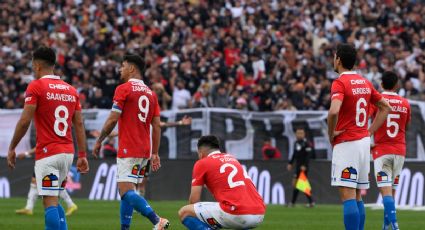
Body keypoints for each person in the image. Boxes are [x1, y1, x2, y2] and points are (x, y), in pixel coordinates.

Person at [7, 46, 89, 230]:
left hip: (48, 153)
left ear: (36, 66)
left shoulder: (36, 86)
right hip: (67, 153)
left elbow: (24, 121)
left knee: (49, 202)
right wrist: (82, 154)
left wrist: (12, 147)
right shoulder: (71, 90)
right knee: (56, 199)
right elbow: (79, 125)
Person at [92, 54, 169, 230]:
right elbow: (156, 126)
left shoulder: (123, 89)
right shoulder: (151, 94)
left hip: (129, 148)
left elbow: (112, 119)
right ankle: (124, 228)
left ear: (132, 69)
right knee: (129, 191)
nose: (120, 69)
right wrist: (155, 153)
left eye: (123, 66)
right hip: (144, 150)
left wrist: (100, 140)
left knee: (125, 191)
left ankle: (157, 220)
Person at [328, 43, 391, 230]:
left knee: (347, 195)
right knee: (357, 194)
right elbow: (385, 107)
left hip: (347, 143)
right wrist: (369, 131)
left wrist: (331, 133)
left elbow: (333, 112)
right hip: (363, 143)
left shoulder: (340, 82)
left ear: (338, 59)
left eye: (334, 56)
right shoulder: (364, 82)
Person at [178, 135, 266, 229]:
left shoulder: (202, 163)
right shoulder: (232, 158)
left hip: (237, 213)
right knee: (235, 215)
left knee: (184, 212)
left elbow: (194, 200)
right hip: (259, 213)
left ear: (200, 152)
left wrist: (206, 222)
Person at [370, 71, 410, 230]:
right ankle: (385, 226)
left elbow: (369, 119)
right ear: (397, 85)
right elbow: (406, 127)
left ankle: (395, 225)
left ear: (381, 84)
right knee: (391, 193)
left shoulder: (377, 101)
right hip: (400, 151)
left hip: (382, 150)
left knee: (385, 192)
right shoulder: (405, 103)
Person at [14, 148, 78, 216]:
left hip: (48, 158)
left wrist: (26, 153)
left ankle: (71, 204)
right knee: (35, 182)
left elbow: (41, 145)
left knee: (51, 183)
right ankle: (28, 208)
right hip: (47, 158)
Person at [287, 128, 315, 207]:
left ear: (304, 134)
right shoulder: (296, 143)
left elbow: (308, 156)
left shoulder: (307, 143)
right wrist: (290, 163)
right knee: (301, 184)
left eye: (301, 133)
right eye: (298, 133)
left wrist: (304, 165)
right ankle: (310, 202)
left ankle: (293, 203)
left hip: (303, 167)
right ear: (295, 134)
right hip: (298, 166)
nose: (299, 135)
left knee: (298, 184)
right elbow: (294, 154)